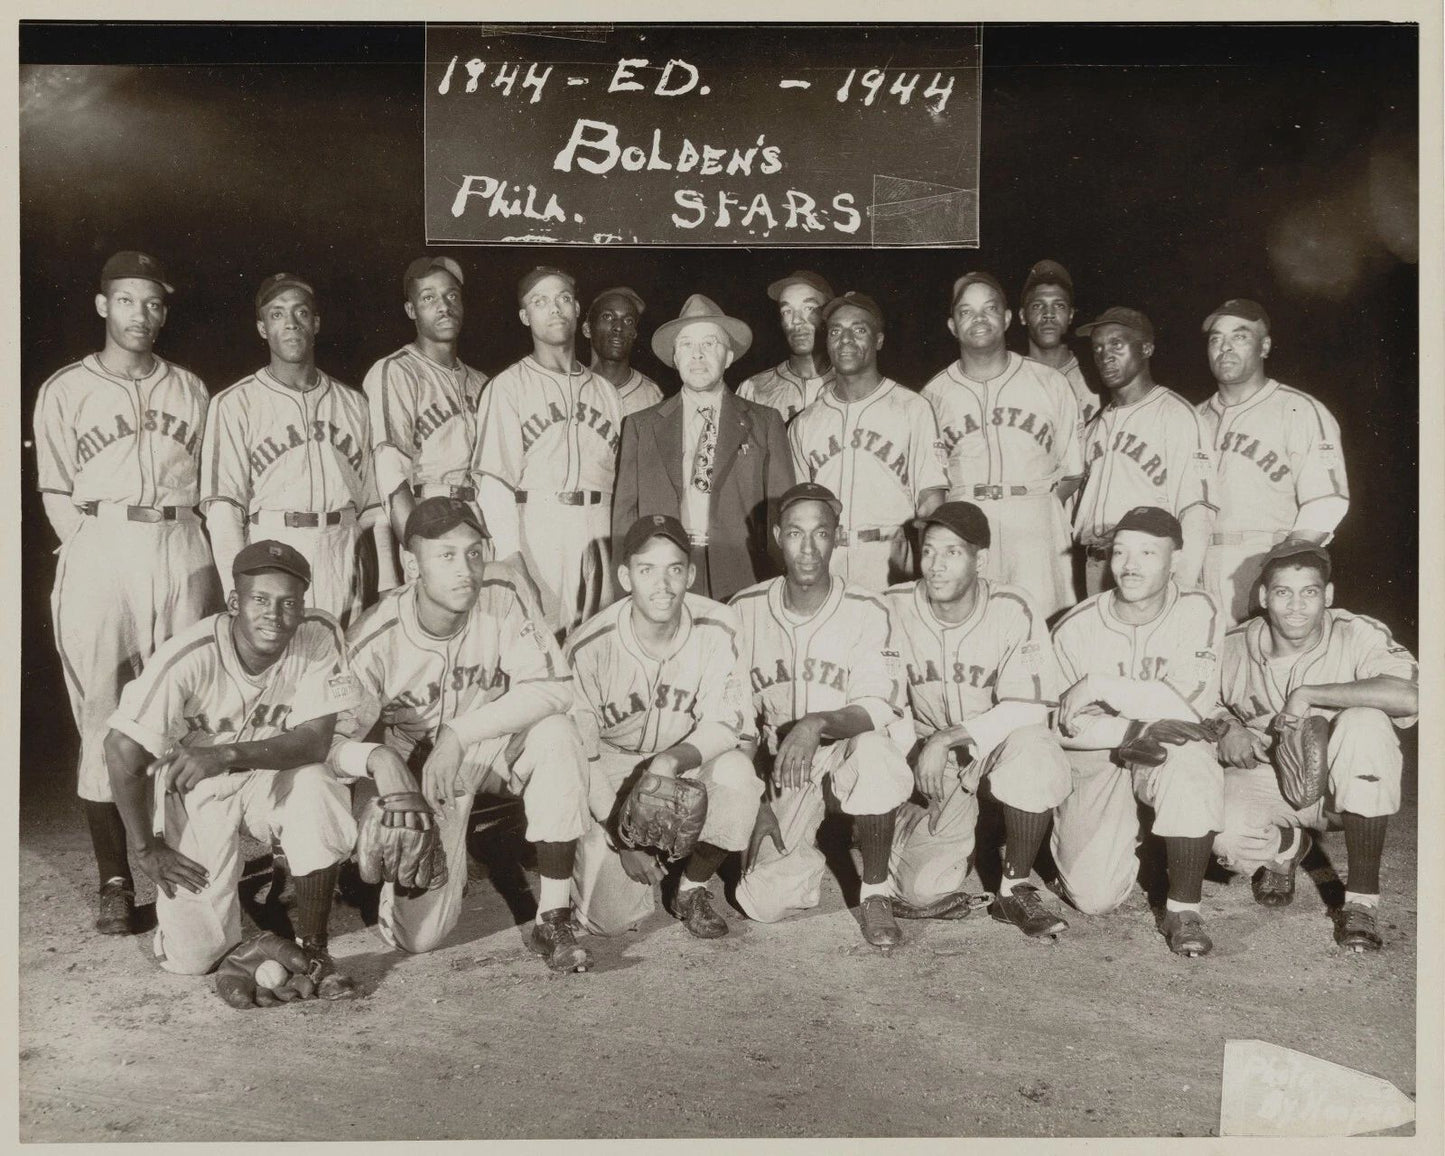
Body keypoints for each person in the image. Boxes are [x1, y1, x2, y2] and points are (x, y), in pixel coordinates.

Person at [33, 250, 221, 935]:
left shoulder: (191, 389)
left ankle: (194, 858)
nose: (140, 314)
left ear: (163, 313)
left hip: (181, 537)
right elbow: (55, 487)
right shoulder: (65, 388)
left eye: (153, 303)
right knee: (103, 712)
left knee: (187, 702)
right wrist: (90, 551)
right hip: (102, 539)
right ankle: (115, 876)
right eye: (127, 300)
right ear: (102, 305)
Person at [330, 498, 593, 972]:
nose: (466, 569)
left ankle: (553, 917)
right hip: (424, 768)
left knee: (557, 734)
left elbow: (555, 687)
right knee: (419, 939)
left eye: (474, 552)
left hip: (491, 745)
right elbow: (329, 743)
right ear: (412, 565)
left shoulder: (503, 587)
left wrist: (460, 733)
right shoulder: (375, 635)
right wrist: (379, 762)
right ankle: (404, 884)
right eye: (446, 555)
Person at [103, 540, 360, 997]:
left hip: (270, 773)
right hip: (199, 789)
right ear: (235, 602)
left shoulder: (319, 633)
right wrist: (145, 848)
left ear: (302, 606)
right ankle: (241, 935)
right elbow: (121, 749)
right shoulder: (190, 655)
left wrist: (227, 754)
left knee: (318, 785)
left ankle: (315, 950)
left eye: (288, 602)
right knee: (193, 958)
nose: (275, 615)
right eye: (260, 599)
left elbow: (315, 741)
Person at [732, 483, 916, 949]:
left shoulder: (869, 608)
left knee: (875, 750)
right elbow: (733, 719)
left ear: (837, 537)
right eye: (796, 533)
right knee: (762, 902)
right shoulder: (744, 610)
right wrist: (754, 802)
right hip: (784, 766)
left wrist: (816, 723)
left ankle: (875, 891)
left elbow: (878, 705)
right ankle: (824, 841)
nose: (808, 548)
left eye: (821, 533)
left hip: (844, 751)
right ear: (778, 537)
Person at [1212, 541, 1417, 952]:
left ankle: (1360, 901)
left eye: (1309, 591)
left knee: (1365, 722)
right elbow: (1194, 703)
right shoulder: (1232, 646)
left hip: (1340, 787)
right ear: (1263, 596)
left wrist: (1308, 693)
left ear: (1328, 594)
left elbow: (1410, 697)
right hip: (1270, 774)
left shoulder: (1355, 631)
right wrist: (1226, 727)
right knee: (1224, 836)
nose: (1296, 606)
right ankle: (1287, 844)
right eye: (1283, 592)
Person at [885, 502, 1073, 938]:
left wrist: (948, 738)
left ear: (980, 559)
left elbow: (1032, 704)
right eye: (928, 551)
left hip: (993, 745)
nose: (935, 565)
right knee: (921, 892)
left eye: (952, 552)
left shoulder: (1013, 606)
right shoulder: (892, 606)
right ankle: (968, 834)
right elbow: (883, 699)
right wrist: (907, 774)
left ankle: (1013, 888)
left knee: (1035, 749)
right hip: (930, 758)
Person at [567, 514, 760, 938]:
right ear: (625, 577)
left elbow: (726, 724)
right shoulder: (588, 646)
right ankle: (600, 855)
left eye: (674, 569)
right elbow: (582, 756)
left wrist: (672, 760)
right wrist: (623, 841)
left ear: (690, 575)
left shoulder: (719, 624)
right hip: (610, 767)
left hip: (683, 756)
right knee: (608, 921)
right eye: (647, 570)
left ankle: (691, 887)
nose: (663, 584)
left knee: (738, 774)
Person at [1050, 506, 1226, 956]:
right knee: (1094, 898)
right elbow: (1059, 725)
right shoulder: (1076, 626)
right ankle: (1142, 839)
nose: (1130, 565)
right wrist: (1132, 726)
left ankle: (1183, 908)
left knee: (1190, 753)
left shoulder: (1199, 609)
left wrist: (1098, 685)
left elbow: (1189, 707)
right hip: (1101, 754)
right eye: (1121, 551)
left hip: (1171, 747)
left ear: (1176, 560)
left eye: (1148, 552)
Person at [201, 273, 384, 626]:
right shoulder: (234, 403)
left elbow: (373, 507)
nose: (291, 323)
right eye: (277, 314)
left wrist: (386, 578)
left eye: (301, 312)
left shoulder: (353, 403)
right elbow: (223, 511)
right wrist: (237, 589)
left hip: (344, 550)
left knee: (346, 654)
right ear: (262, 328)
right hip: (274, 548)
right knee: (283, 656)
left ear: (315, 324)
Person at [612, 293, 794, 601]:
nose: (697, 355)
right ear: (675, 358)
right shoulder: (640, 426)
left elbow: (782, 515)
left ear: (728, 357)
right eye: (686, 345)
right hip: (664, 577)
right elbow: (624, 520)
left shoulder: (765, 423)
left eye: (710, 344)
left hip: (743, 572)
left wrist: (778, 586)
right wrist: (626, 593)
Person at [923, 272, 1084, 619]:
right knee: (973, 626)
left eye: (990, 308)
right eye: (966, 312)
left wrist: (1032, 504)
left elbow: (1073, 472)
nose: (979, 319)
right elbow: (931, 484)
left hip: (1035, 526)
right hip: (966, 527)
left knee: (1044, 624)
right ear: (952, 326)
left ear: (1008, 318)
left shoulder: (1050, 383)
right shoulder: (933, 395)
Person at [473, 266, 621, 639]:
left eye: (563, 299)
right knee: (543, 646)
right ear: (525, 316)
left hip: (602, 529)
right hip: (540, 528)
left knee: (601, 644)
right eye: (540, 302)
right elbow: (494, 484)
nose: (554, 309)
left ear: (577, 310)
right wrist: (513, 560)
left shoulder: (606, 392)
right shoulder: (507, 387)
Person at [1195, 298, 1349, 625]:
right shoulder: (1192, 418)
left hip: (1259, 559)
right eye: (1216, 339)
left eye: (1239, 336)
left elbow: (1327, 501)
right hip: (1194, 566)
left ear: (1264, 346)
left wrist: (1279, 571)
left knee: (1257, 655)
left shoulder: (1298, 409)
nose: (1225, 347)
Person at [788, 291, 948, 591]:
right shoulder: (805, 423)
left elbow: (931, 501)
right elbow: (797, 510)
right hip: (827, 562)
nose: (845, 340)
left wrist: (930, 567)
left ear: (879, 340)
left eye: (859, 330)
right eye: (835, 331)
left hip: (889, 561)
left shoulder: (912, 408)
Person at [1071, 307, 1216, 595]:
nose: (1105, 355)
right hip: (1097, 563)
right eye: (1097, 348)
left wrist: (1181, 587)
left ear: (1146, 349)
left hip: (1148, 564)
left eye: (1116, 344)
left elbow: (1197, 510)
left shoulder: (1176, 414)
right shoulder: (1095, 426)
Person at [361, 255, 489, 567]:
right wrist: (416, 547)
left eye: (451, 295)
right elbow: (390, 473)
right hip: (429, 514)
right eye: (429, 298)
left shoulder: (482, 382)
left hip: (481, 519)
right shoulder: (396, 370)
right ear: (411, 310)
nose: (444, 306)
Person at [737, 269, 836, 422]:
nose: (796, 320)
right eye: (787, 311)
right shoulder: (753, 389)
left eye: (808, 308)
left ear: (829, 315)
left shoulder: (854, 385)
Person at [1018, 259, 1099, 425]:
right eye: (1037, 306)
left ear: (1070, 315)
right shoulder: (1009, 377)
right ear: (1022, 316)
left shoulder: (1097, 374)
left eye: (1059, 305)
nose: (1049, 314)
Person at [582, 286, 662, 418]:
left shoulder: (652, 395)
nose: (619, 327)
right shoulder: (570, 387)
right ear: (587, 329)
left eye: (628, 321)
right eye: (608, 317)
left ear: (634, 334)